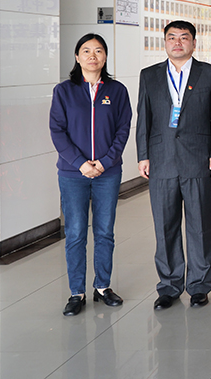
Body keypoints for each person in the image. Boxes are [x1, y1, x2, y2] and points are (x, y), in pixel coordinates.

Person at [136, 20, 211, 310]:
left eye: (184, 38)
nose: (178, 43)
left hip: (199, 158)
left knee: (200, 226)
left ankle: (199, 286)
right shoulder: (150, 75)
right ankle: (169, 286)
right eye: (172, 37)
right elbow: (143, 116)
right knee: (165, 225)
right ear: (165, 42)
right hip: (162, 159)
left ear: (194, 43)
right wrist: (143, 154)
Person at [49, 33, 132, 316]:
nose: (92, 56)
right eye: (86, 51)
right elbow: (57, 131)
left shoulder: (117, 90)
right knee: (74, 233)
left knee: (104, 231)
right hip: (73, 174)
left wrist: (105, 162)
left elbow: (123, 130)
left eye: (98, 51)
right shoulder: (64, 91)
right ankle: (77, 292)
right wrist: (80, 163)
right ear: (77, 56)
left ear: (105, 57)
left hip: (108, 173)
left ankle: (102, 287)